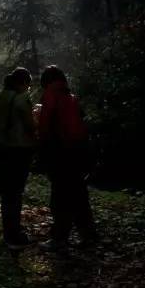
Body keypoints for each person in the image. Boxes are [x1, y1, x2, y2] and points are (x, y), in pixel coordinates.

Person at [37, 65, 97, 247]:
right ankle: (88, 235)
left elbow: (45, 128)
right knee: (79, 194)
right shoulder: (70, 96)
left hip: (60, 153)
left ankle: (59, 238)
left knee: (60, 196)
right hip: (78, 151)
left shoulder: (50, 95)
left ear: (46, 81)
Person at [0, 67, 39, 248]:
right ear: (23, 83)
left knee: (7, 195)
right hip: (18, 150)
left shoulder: (1, 97)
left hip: (1, 149)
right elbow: (30, 125)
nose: (29, 88)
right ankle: (14, 236)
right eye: (28, 84)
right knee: (15, 194)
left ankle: (9, 232)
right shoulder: (20, 99)